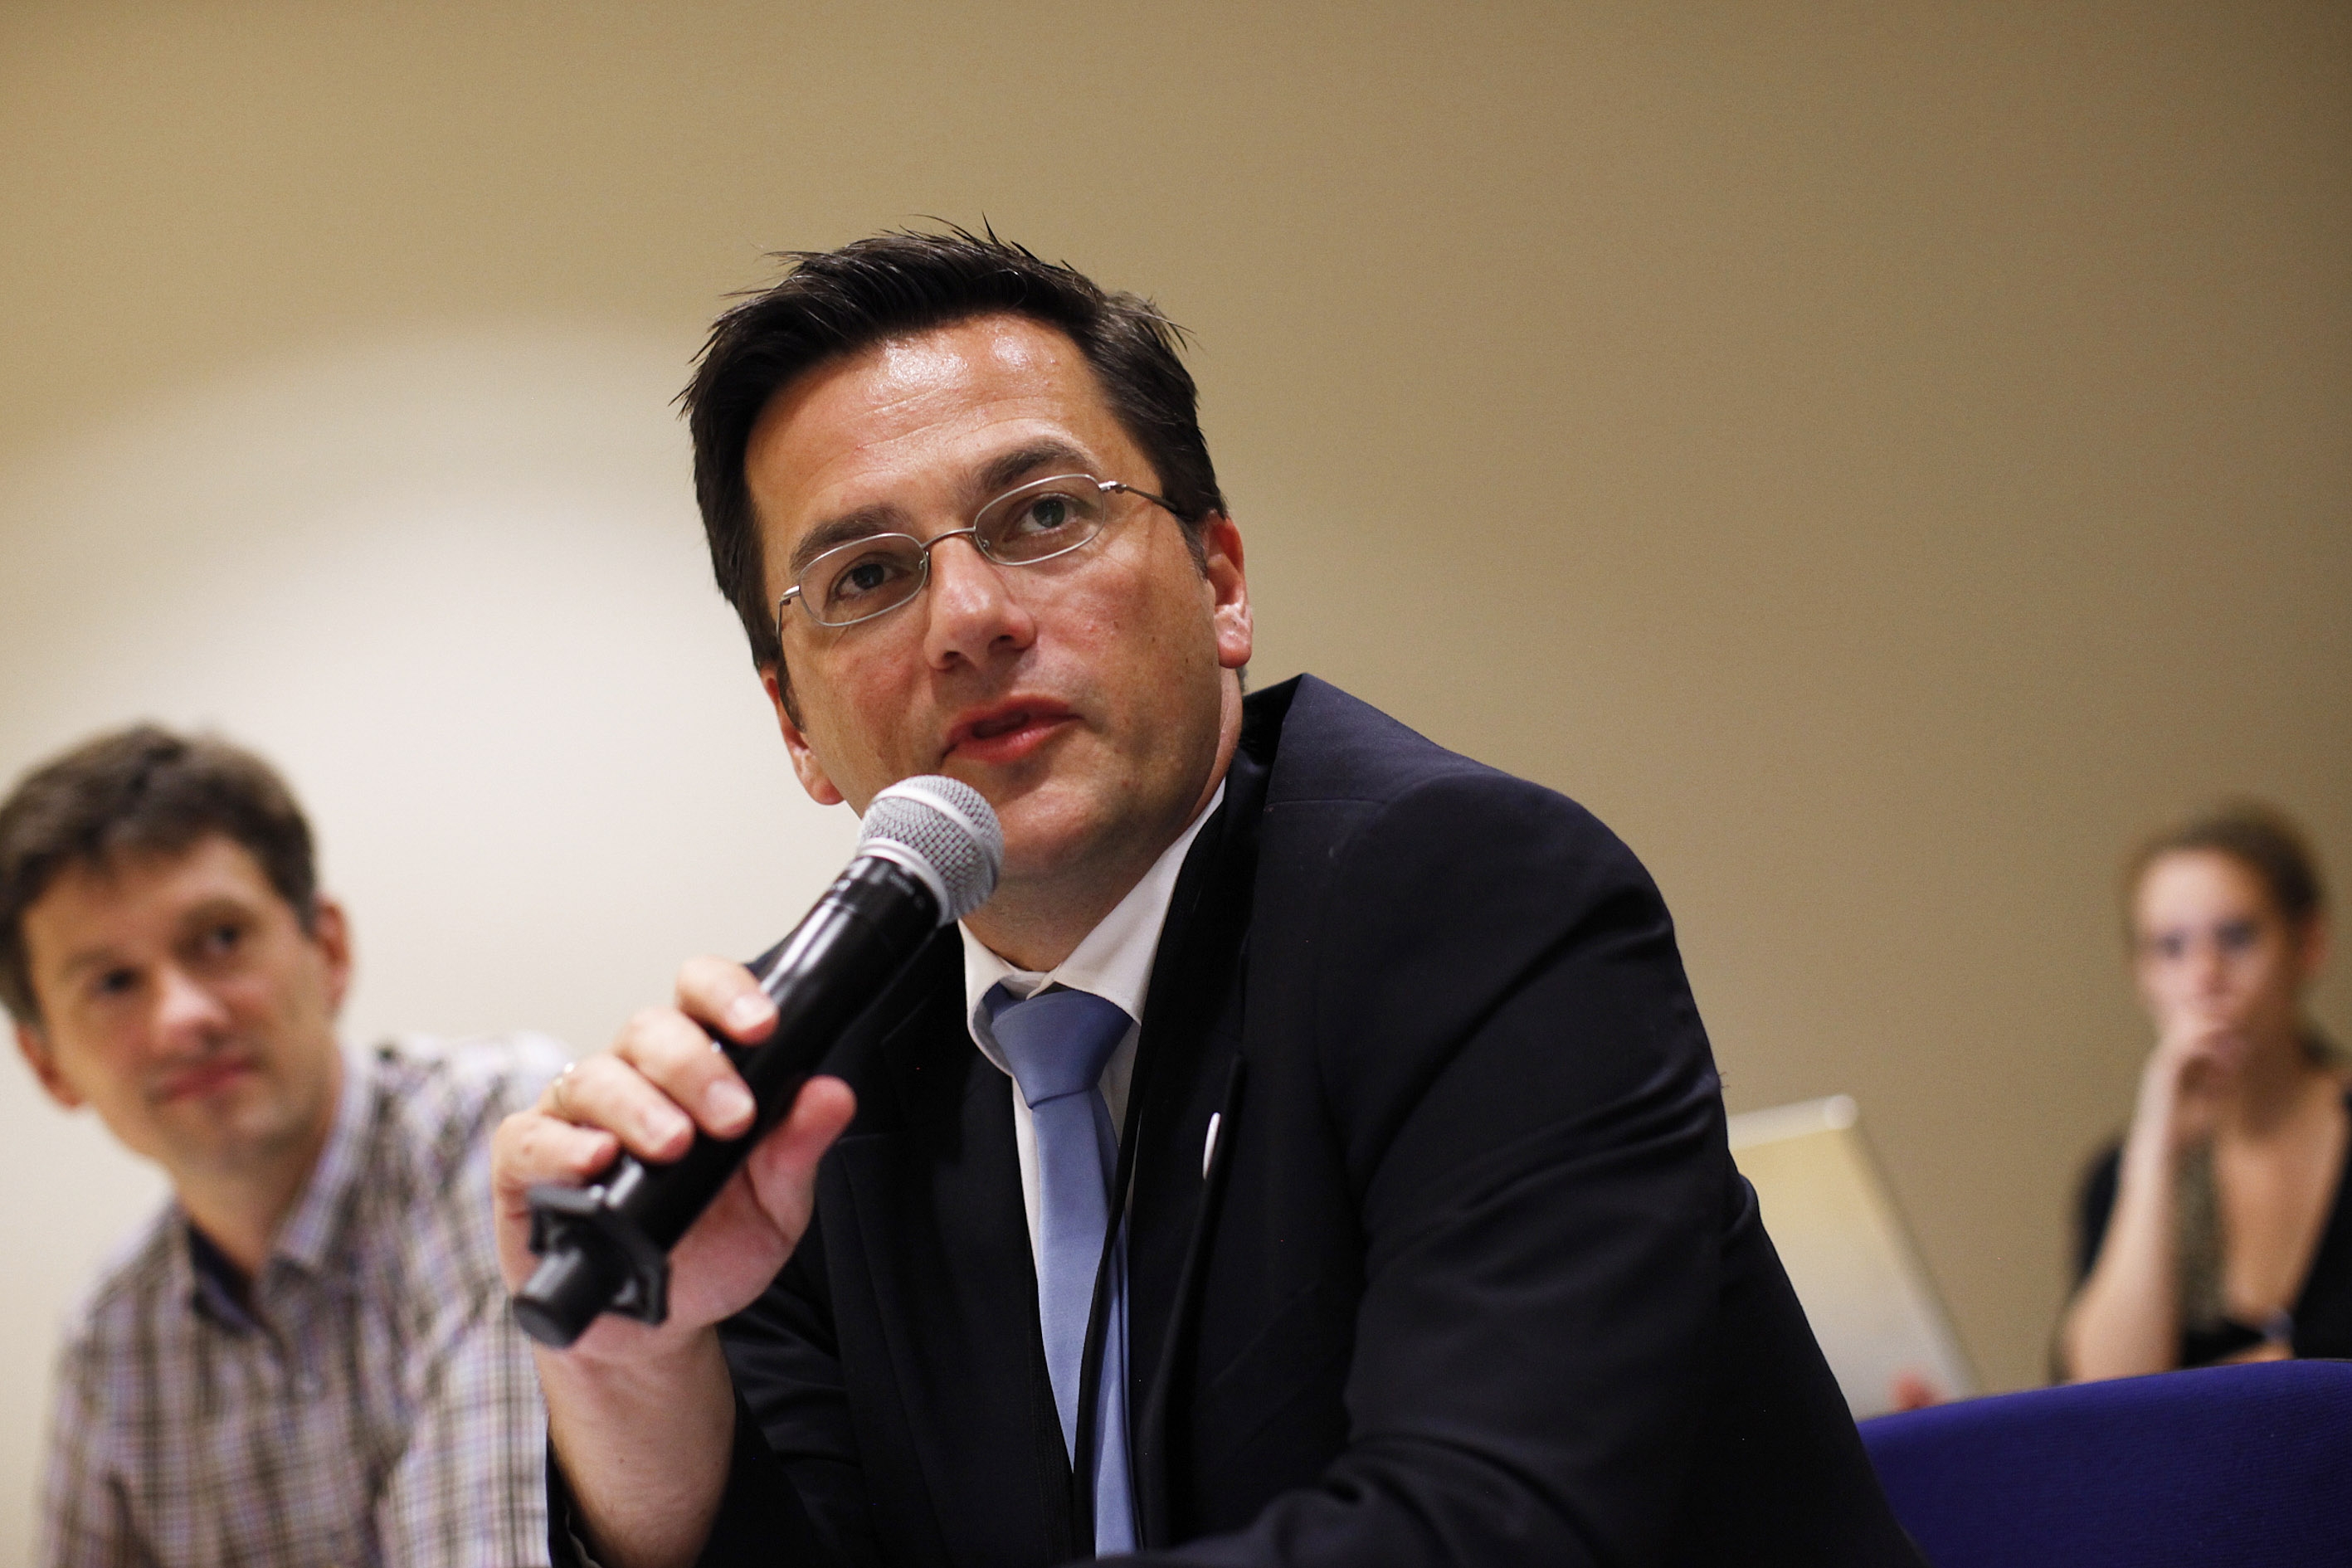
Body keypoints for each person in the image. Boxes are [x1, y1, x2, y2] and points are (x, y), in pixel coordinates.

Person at [492, 229, 1922, 1567]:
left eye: (1043, 514)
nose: (971, 619)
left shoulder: (1470, 901)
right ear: (795, 727)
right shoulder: (802, 1071)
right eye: (866, 576)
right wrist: (632, 1370)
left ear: (1221, 581)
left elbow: (1473, 1530)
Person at [2, 724, 562, 1567]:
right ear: (49, 1064)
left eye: (220, 938)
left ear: (327, 950)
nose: (182, 1017)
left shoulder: (498, 1139)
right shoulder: (109, 1338)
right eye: (113, 983)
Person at [2059, 801, 2344, 1381]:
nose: (2204, 976)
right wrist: (2155, 1152)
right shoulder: (2118, 1176)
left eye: (2236, 937)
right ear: (2140, 975)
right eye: (2170, 948)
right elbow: (2104, 1397)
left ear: (2307, 944)